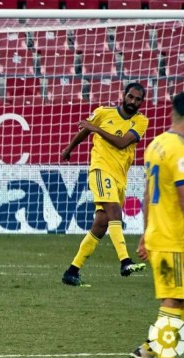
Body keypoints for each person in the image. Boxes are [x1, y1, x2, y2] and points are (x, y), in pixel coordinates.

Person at [129, 92, 184, 358]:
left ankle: (150, 348)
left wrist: (145, 233)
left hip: (162, 236)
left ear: (172, 113)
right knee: (174, 301)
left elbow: (146, 192)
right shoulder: (181, 152)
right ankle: (159, 355)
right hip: (172, 239)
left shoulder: (155, 145)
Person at [61, 82, 149, 287]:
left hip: (120, 177)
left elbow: (122, 142)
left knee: (101, 224)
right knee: (114, 211)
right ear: (124, 95)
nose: (133, 102)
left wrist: (96, 129)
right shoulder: (103, 112)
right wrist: (69, 148)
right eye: (131, 97)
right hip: (101, 170)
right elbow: (84, 131)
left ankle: (72, 271)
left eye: (138, 99)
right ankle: (125, 261)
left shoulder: (141, 121)